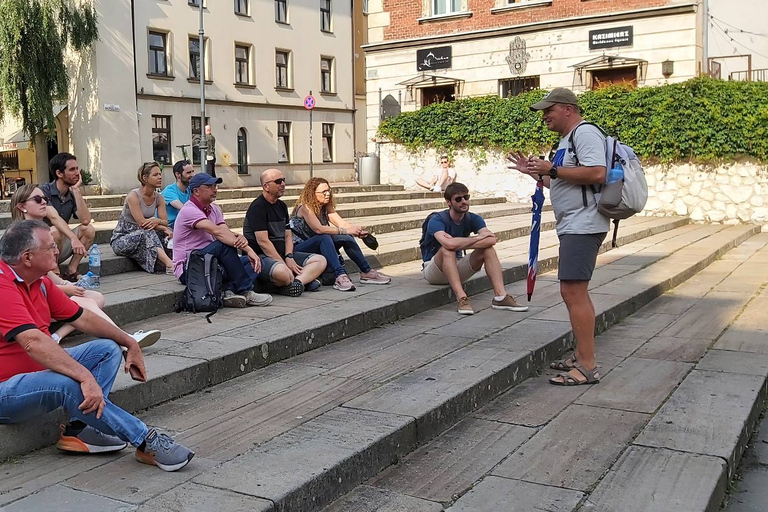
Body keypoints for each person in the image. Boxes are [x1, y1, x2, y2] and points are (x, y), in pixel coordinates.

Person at [0, 220, 194, 471]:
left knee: (106, 350)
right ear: (27, 257)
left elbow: (82, 317)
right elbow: (33, 342)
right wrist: (84, 378)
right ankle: (146, 440)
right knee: (68, 384)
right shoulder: (3, 286)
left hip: (36, 374)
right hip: (6, 390)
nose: (57, 251)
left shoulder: (40, 282)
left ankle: (81, 428)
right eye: (50, 248)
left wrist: (128, 342)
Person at [510, 87, 609, 387]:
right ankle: (581, 355)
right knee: (575, 291)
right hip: (575, 224)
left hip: (584, 224)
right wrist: (536, 174)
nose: (544, 117)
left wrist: (551, 168)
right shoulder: (567, 141)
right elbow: (563, 184)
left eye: (548, 110)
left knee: (572, 291)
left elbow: (597, 173)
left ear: (567, 108)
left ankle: (588, 366)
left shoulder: (585, 133)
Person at [10, 184, 161, 349]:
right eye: (38, 199)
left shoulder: (40, 230)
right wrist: (65, 290)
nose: (44, 202)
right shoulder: (19, 237)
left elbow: (44, 274)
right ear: (21, 206)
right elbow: (26, 282)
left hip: (44, 294)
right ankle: (125, 339)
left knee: (96, 298)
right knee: (83, 302)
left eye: (45, 199)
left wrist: (67, 284)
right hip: (27, 301)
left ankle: (57, 336)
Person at [421, 182, 529, 316]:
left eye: (466, 197)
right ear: (448, 202)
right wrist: (477, 238)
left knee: (488, 249)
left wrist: (458, 242)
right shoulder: (437, 220)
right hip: (433, 270)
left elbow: (491, 239)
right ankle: (462, 298)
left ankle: (500, 297)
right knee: (447, 250)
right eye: (458, 199)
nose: (464, 201)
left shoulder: (473, 218)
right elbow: (448, 245)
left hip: (457, 266)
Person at [172, 173, 272, 307]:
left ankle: (227, 291)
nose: (215, 189)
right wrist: (248, 250)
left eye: (215, 185)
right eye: (209, 186)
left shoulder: (214, 209)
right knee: (224, 245)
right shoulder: (188, 210)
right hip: (189, 268)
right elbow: (218, 232)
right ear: (196, 191)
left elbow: (225, 231)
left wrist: (239, 239)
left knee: (258, 261)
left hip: (211, 262)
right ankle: (245, 291)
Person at [290, 178, 391, 291]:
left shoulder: (325, 207)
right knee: (324, 237)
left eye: (329, 190)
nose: (328, 194)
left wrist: (356, 230)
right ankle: (340, 276)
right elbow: (319, 229)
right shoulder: (305, 207)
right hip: (299, 249)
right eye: (324, 192)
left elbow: (342, 224)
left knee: (346, 237)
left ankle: (366, 272)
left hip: (319, 245)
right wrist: (346, 230)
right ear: (312, 194)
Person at [243, 169, 327, 297]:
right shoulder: (257, 207)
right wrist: (283, 264)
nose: (282, 184)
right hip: (262, 257)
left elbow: (288, 235)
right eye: (278, 181)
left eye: (283, 180)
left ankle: (297, 283)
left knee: (320, 260)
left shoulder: (281, 206)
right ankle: (294, 281)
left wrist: (289, 257)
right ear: (266, 186)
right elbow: (263, 242)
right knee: (282, 273)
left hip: (282, 254)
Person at [39, 153, 96, 282]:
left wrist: (76, 191)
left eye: (77, 168)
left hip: (59, 245)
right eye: (72, 170)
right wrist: (73, 238)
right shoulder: (44, 191)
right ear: (59, 173)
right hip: (42, 246)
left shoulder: (71, 193)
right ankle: (55, 274)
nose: (77, 173)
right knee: (54, 231)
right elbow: (54, 218)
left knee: (89, 229)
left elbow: (86, 220)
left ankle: (71, 270)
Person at [110, 162, 174, 274]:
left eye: (160, 174)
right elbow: (142, 224)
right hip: (122, 239)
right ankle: (170, 264)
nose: (160, 177)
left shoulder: (159, 198)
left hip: (144, 235)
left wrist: (157, 221)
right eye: (155, 175)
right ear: (145, 178)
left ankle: (178, 260)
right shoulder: (133, 196)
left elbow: (165, 221)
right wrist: (163, 227)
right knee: (148, 232)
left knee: (172, 231)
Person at [162, 160, 194, 229]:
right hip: (170, 227)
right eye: (188, 173)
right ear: (178, 175)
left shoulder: (190, 189)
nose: (192, 175)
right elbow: (184, 209)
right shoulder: (169, 191)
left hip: (183, 224)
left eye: (192, 171)